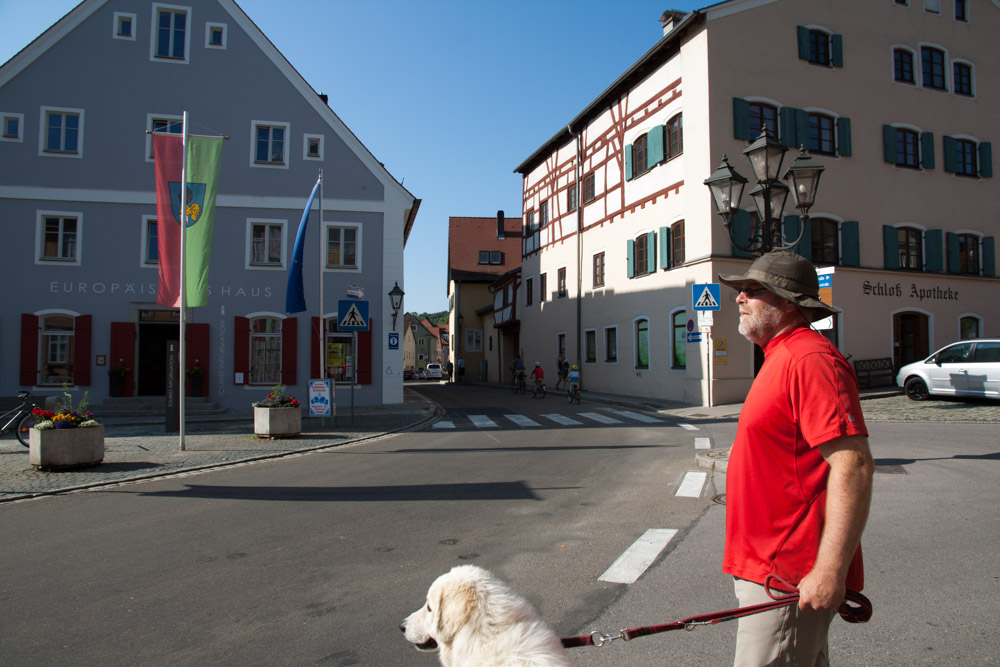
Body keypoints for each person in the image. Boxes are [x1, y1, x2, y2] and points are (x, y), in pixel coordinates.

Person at [717, 251, 875, 667]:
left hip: (787, 572)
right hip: (768, 565)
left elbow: (853, 465)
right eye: (741, 290)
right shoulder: (781, 356)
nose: (739, 298)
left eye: (753, 291)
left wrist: (829, 570)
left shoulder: (809, 360)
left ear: (789, 302)